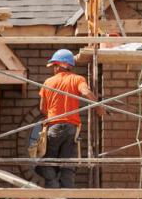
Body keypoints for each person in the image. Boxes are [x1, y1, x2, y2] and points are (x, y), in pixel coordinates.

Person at [36, 48, 98, 190]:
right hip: (72, 130)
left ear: (60, 65)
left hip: (55, 127)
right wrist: (99, 108)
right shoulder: (78, 79)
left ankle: (54, 192)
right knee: (67, 166)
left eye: (54, 66)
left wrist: (53, 112)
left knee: (46, 163)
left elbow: (42, 109)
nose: (53, 69)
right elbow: (86, 92)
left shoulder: (48, 82)